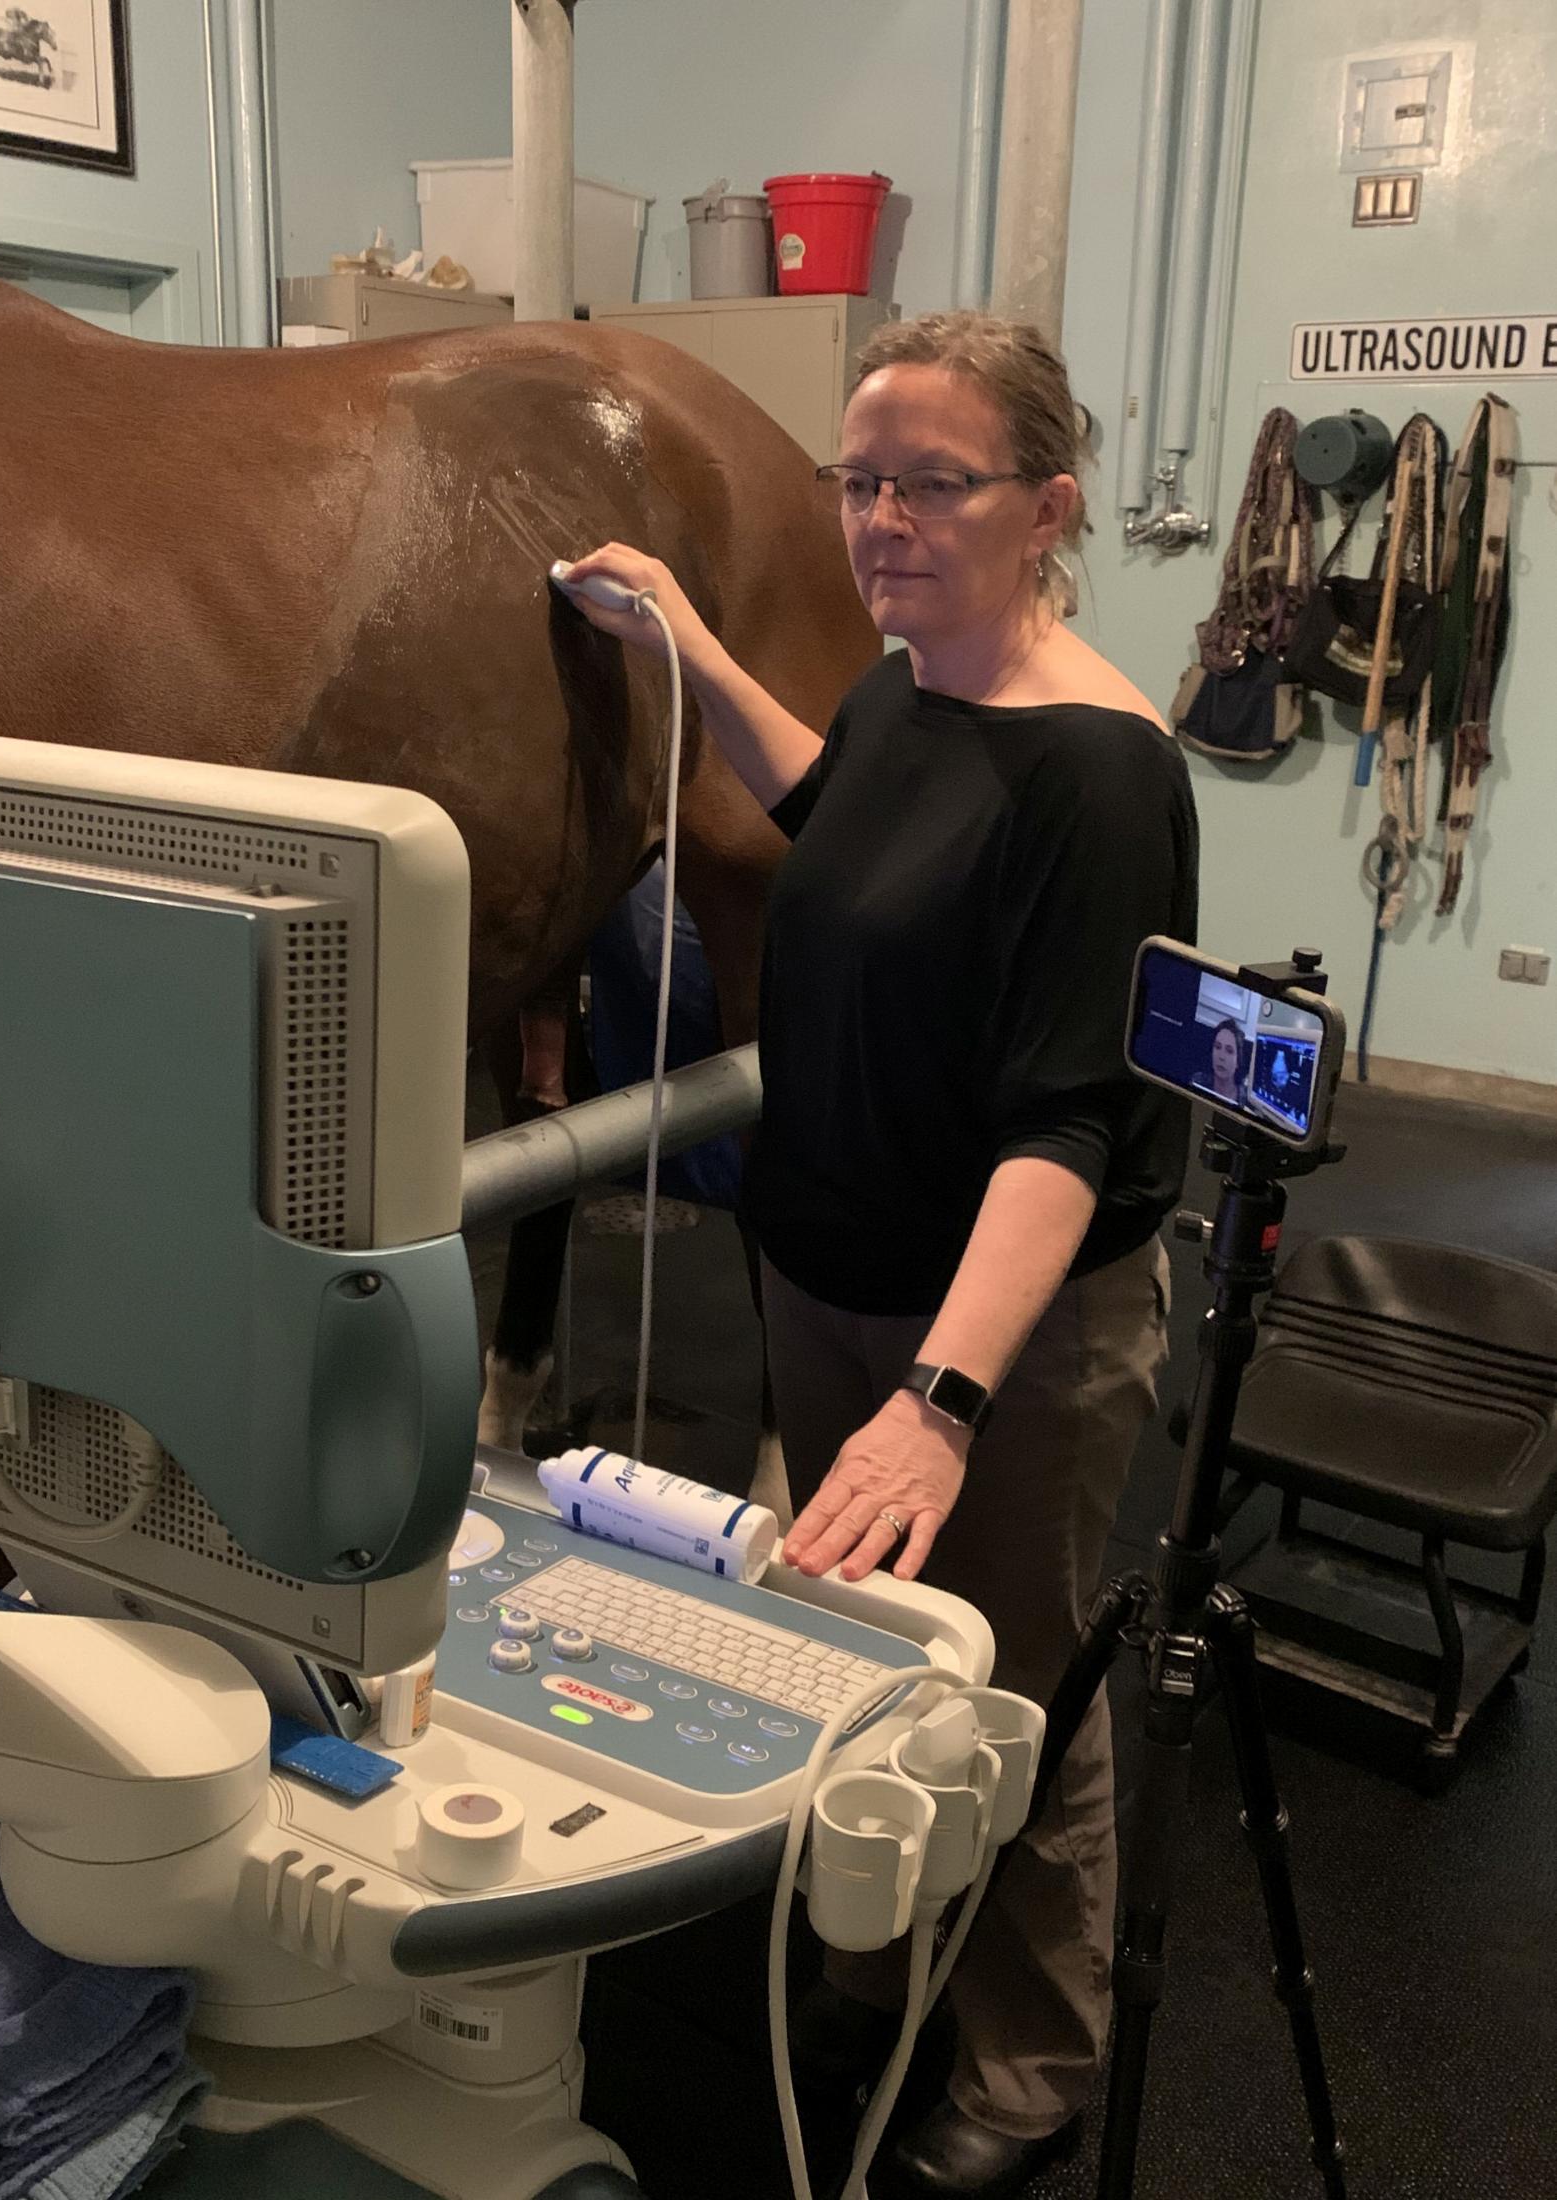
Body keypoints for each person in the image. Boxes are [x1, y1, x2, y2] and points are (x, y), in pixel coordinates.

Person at [555, 310, 1198, 2199]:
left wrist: (940, 1400)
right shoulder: (902, 687)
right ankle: (877, 1952)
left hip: (996, 1336)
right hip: (822, 1278)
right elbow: (834, 812)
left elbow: (1068, 1128)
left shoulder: (1103, 772)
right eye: (861, 481)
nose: (882, 521)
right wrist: (684, 633)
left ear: (1049, 504)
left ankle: (1026, 2057)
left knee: (1010, 1686)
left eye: (934, 483)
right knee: (861, 1658)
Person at [1196, 1016, 1248, 1107]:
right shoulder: (1198, 1082)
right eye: (1218, 1047)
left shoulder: (1245, 1100)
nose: (1221, 1057)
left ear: (1238, 1061)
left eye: (1229, 1051)